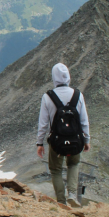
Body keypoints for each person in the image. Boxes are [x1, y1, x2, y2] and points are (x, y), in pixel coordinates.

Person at [36, 63, 90, 207]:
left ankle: (61, 201)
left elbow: (43, 123)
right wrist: (87, 140)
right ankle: (72, 194)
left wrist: (40, 143)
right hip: (75, 139)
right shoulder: (78, 95)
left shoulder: (47, 97)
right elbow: (84, 120)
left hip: (56, 141)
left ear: (54, 77)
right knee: (74, 164)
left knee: (55, 170)